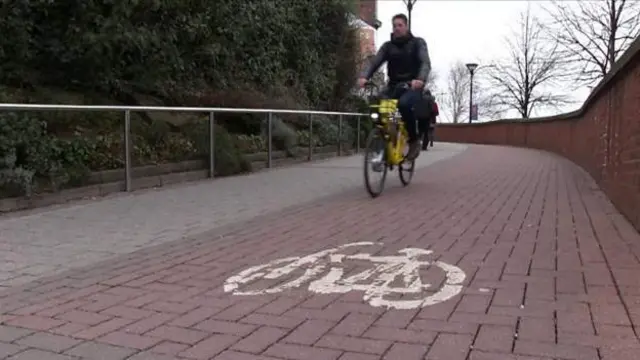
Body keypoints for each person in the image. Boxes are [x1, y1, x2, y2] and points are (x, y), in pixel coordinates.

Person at [357, 13, 432, 160]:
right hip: (393, 86)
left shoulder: (418, 43)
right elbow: (374, 62)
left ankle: (414, 140)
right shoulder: (388, 47)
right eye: (394, 26)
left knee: (404, 105)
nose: (397, 29)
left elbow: (425, 63)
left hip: (412, 86)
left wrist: (420, 79)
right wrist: (364, 76)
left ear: (406, 26)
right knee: (377, 104)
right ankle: (385, 138)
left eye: (400, 25)